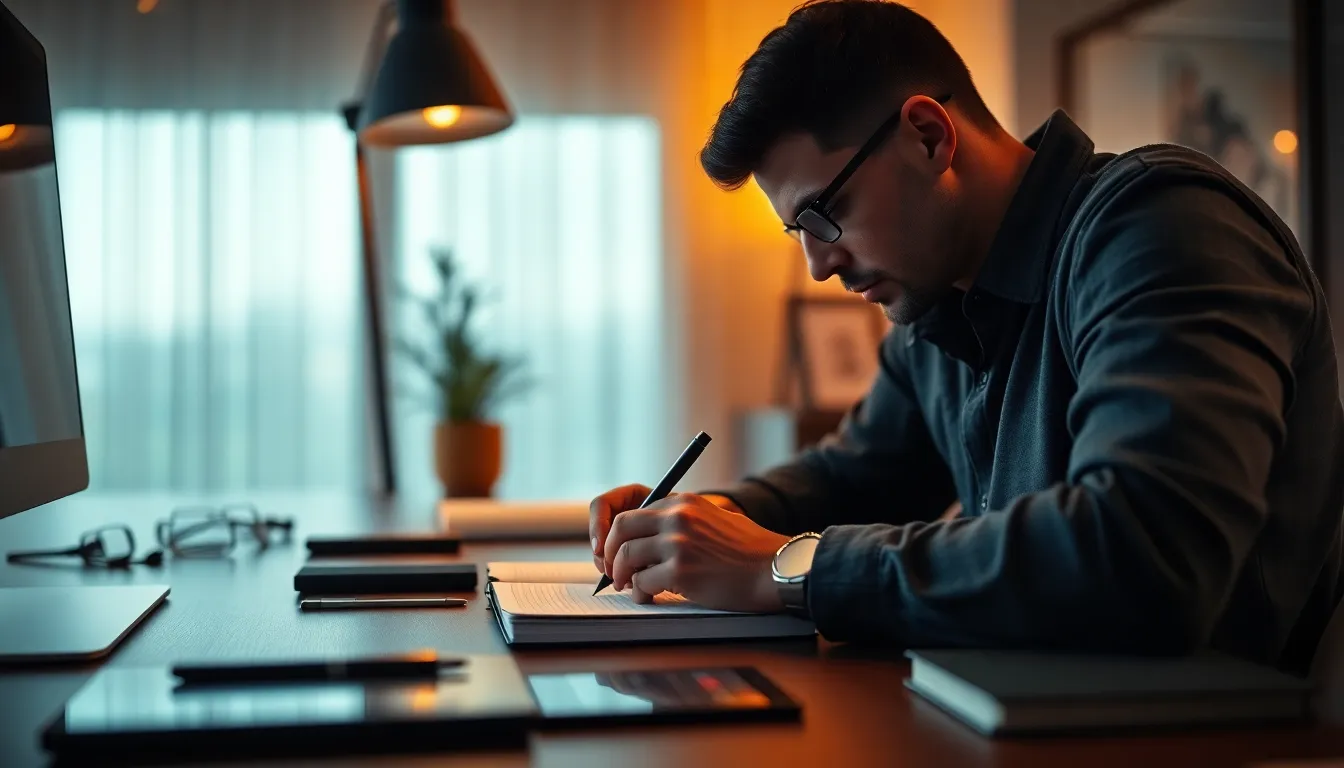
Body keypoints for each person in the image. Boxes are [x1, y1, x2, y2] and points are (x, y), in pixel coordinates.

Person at [589, 0, 1344, 673]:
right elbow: (853, 479)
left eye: (824, 213)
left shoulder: (1160, 225)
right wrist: (695, 526)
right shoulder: (939, 306)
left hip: (1215, 738)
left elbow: (1145, 556)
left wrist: (786, 568)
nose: (819, 265)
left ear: (927, 136)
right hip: (1046, 716)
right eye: (799, 231)